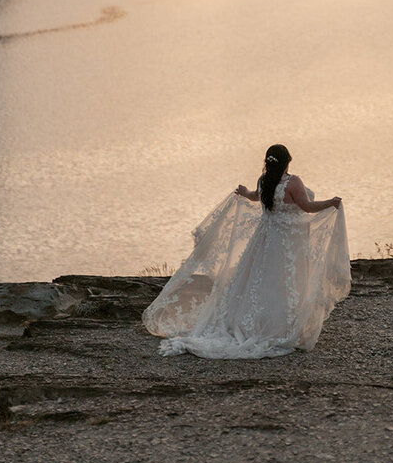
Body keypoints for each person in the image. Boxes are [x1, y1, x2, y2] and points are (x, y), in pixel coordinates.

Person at [143, 144, 350, 359]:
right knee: (285, 281)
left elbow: (254, 196)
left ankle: (255, 322)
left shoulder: (264, 181)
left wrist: (244, 192)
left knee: (259, 280)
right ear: (287, 161)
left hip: (266, 239)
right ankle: (280, 327)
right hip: (287, 243)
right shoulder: (292, 181)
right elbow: (307, 207)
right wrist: (331, 203)